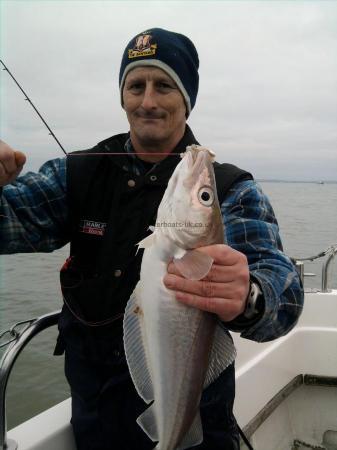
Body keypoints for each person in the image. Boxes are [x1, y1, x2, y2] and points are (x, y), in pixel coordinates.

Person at [0, 28, 303, 450]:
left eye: (164, 86)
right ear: (122, 96)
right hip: (95, 422)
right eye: (135, 86)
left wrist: (251, 294)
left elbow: (284, 294)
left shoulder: (230, 190)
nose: (147, 101)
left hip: (196, 425)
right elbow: (9, 221)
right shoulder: (78, 173)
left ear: (187, 98)